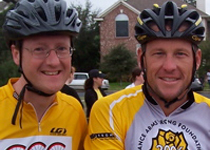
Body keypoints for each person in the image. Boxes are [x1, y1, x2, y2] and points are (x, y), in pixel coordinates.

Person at [84, 1, 210, 149]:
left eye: (180, 54)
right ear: (140, 58)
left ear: (197, 60)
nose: (169, 66)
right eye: (158, 53)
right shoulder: (110, 110)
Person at [0, 0, 87, 149]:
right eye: (39, 49)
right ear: (16, 54)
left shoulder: (74, 110)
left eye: (62, 48)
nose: (53, 61)